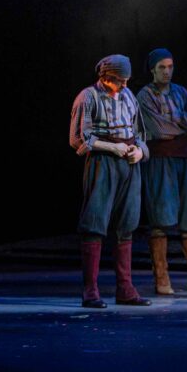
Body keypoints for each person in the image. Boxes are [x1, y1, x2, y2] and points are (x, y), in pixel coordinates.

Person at [68, 55, 151, 308]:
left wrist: (140, 151)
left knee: (126, 224)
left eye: (126, 80)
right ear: (105, 77)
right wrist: (110, 148)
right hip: (103, 163)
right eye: (119, 81)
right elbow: (79, 139)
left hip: (129, 163)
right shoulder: (88, 97)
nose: (124, 85)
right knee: (95, 221)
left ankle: (125, 288)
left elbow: (139, 133)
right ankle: (90, 290)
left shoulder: (128, 96)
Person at [135, 48, 187, 296]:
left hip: (183, 160)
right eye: (162, 67)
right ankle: (162, 278)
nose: (167, 71)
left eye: (170, 66)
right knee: (161, 218)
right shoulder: (144, 96)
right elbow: (158, 129)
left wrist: (180, 120)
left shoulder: (180, 92)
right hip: (159, 162)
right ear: (152, 69)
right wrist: (182, 123)